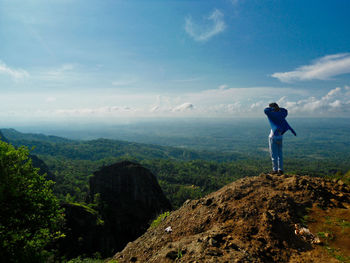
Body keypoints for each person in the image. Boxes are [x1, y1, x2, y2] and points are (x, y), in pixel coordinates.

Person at [264, 102, 296, 175]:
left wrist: (272, 109)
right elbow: (285, 111)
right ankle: (280, 170)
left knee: (273, 154)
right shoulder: (281, 114)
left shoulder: (271, 114)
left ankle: (275, 170)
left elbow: (265, 110)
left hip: (273, 137)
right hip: (280, 136)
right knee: (280, 154)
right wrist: (278, 109)